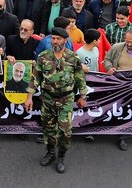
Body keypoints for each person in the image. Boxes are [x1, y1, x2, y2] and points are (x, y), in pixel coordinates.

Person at [25, 27, 87, 174]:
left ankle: (61, 157)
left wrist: (83, 96)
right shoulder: (43, 56)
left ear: (65, 40)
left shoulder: (73, 58)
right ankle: (51, 153)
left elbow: (80, 79)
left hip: (66, 99)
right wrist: (29, 97)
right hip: (47, 99)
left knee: (65, 132)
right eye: (53, 38)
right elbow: (35, 78)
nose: (55, 41)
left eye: (58, 39)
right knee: (48, 129)